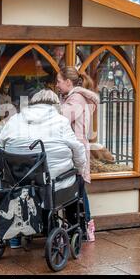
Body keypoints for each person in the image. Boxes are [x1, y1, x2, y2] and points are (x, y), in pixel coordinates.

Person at [0, 89, 87, 248]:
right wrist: (80, 168)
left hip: (18, 181)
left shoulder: (15, 119)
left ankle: (20, 234)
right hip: (51, 184)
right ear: (55, 104)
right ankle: (74, 229)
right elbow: (78, 150)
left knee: (44, 179)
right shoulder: (60, 121)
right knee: (76, 182)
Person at [56, 66, 99, 242]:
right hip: (75, 150)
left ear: (68, 82)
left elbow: (60, 120)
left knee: (78, 191)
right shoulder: (74, 97)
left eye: (58, 81)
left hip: (75, 152)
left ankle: (84, 227)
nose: (56, 84)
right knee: (77, 190)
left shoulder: (76, 99)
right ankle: (82, 226)